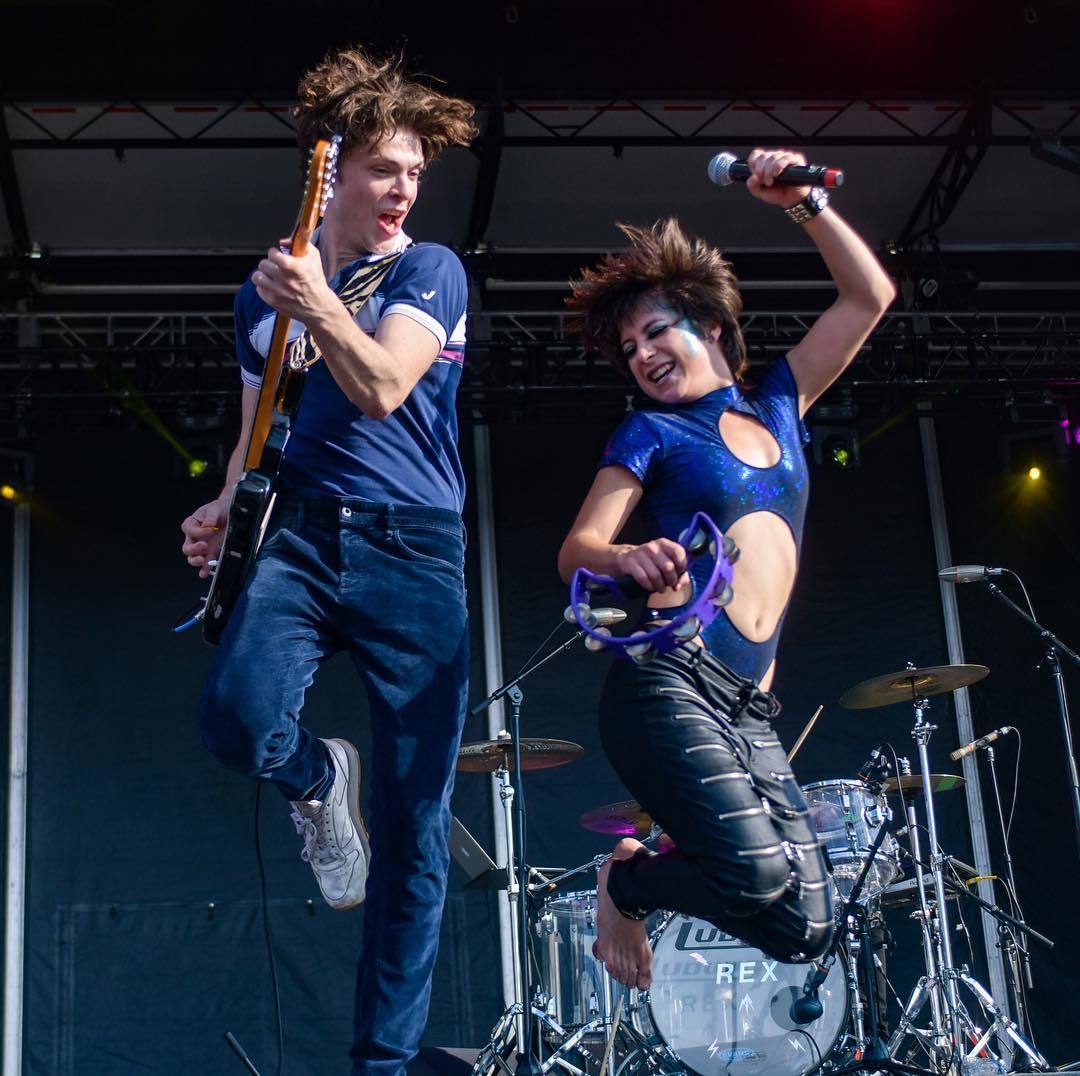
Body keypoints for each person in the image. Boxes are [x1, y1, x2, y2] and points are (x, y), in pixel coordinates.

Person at [179, 45, 476, 1075]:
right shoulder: (264, 293)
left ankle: (381, 1064)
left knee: (414, 828)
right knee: (236, 717)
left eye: (415, 173)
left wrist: (318, 305)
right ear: (329, 168)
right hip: (300, 533)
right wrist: (224, 503)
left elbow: (384, 385)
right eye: (385, 168)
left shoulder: (429, 270)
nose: (404, 190)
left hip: (414, 547)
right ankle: (316, 774)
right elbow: (259, 429)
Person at [558, 148, 896, 991]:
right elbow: (578, 549)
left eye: (656, 331)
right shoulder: (650, 432)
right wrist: (627, 554)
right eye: (628, 347)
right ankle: (626, 884)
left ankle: (639, 876)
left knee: (806, 926)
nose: (641, 354)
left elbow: (869, 297)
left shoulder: (780, 403)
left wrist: (804, 202)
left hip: (747, 708)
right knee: (754, 877)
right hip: (668, 688)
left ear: (709, 325)